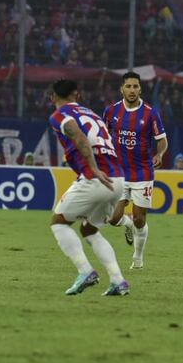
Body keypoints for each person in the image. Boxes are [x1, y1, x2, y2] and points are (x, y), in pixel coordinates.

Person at [48, 79, 129, 296]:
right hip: (117, 179)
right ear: (78, 95)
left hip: (96, 178)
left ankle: (85, 271)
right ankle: (118, 280)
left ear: (52, 97)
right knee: (89, 229)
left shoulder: (60, 115)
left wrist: (93, 168)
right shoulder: (92, 114)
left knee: (59, 223)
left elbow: (80, 137)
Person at [103, 72, 168, 270]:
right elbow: (102, 136)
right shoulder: (111, 111)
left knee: (140, 219)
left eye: (136, 87)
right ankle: (127, 225)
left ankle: (138, 259)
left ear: (140, 89)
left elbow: (162, 140)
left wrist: (160, 154)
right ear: (121, 89)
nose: (132, 90)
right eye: (128, 86)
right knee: (114, 219)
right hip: (119, 172)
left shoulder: (150, 113)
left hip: (142, 173)